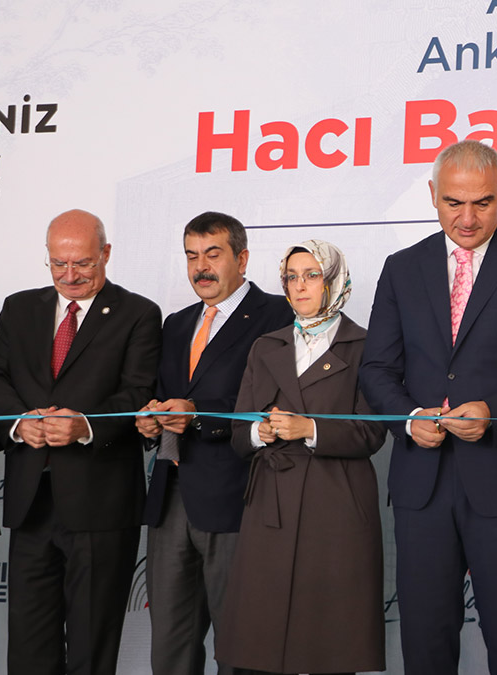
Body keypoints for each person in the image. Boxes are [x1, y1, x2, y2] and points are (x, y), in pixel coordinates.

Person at [359, 140, 497, 675]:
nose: (467, 218)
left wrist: (495, 413)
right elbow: (376, 370)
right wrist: (409, 419)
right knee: (425, 641)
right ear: (433, 195)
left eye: (482, 203)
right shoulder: (401, 268)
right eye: (453, 202)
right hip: (422, 484)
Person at [0, 209, 162, 675]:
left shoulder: (139, 313)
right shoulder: (19, 308)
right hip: (30, 500)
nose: (70, 275)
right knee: (28, 648)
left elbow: (139, 391)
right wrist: (18, 422)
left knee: (90, 649)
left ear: (106, 254)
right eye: (59, 263)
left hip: (101, 506)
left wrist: (85, 426)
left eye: (82, 264)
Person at [215, 240, 385, 675]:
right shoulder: (265, 346)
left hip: (337, 505)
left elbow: (373, 432)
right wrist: (260, 432)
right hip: (270, 506)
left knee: (332, 646)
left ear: (334, 280)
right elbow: (238, 434)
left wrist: (309, 429)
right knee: (261, 645)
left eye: (312, 275)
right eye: (291, 277)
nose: (300, 286)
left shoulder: (366, 345)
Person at [135, 212, 292, 675]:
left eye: (212, 254)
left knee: (241, 647)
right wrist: (150, 420)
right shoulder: (176, 323)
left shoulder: (278, 316)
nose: (200, 267)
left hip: (237, 498)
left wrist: (198, 414)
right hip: (169, 497)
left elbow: (274, 400)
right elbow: (167, 395)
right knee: (169, 647)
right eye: (191, 256)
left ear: (242, 259)